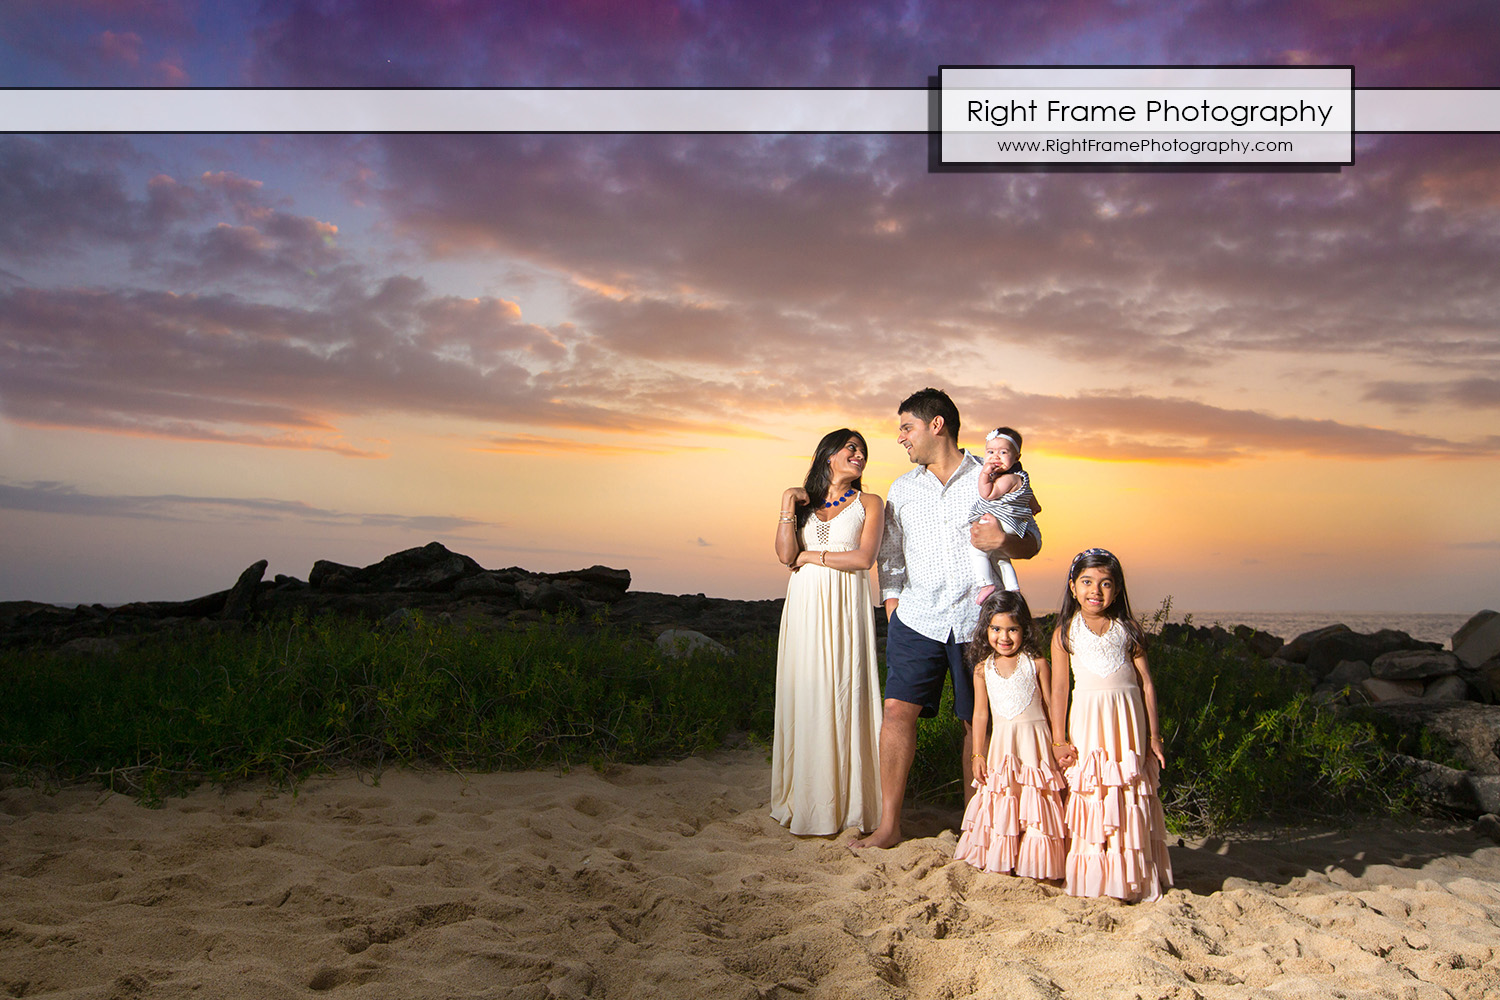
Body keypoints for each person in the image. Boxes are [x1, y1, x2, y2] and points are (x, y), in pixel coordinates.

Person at [850, 388, 1041, 851]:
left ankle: (977, 827)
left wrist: (1003, 540)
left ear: (937, 425)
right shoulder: (902, 488)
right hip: (917, 618)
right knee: (897, 711)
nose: (900, 438)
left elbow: (1031, 539)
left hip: (980, 619)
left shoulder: (994, 475)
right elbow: (891, 555)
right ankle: (889, 825)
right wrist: (892, 606)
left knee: (978, 724)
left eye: (906, 427)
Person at [770, 428, 885, 836]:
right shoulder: (804, 504)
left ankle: (849, 804)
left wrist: (811, 556)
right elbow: (785, 555)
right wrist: (787, 502)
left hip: (845, 607)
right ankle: (806, 798)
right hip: (804, 606)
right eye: (851, 447)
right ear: (828, 455)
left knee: (843, 689)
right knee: (809, 691)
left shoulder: (869, 502)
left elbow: (863, 558)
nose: (859, 454)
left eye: (863, 451)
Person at [1049, 548, 1173, 902]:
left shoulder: (1129, 630)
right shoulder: (1065, 633)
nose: (1096, 591)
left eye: (1105, 584)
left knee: (1127, 788)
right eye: (1087, 582)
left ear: (1117, 590)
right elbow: (1059, 688)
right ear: (1073, 587)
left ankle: (1130, 876)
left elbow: (1146, 683)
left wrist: (1155, 736)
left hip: (1127, 720)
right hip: (1088, 719)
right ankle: (1095, 876)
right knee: (1095, 790)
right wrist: (1058, 738)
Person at [952, 590, 1066, 879]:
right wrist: (978, 754)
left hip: (1035, 747)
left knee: (1034, 801)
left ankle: (1036, 862)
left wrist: (1059, 742)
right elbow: (980, 714)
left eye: (1012, 629)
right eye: (996, 629)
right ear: (985, 630)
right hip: (1003, 748)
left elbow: (1052, 705)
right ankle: (1005, 859)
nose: (1004, 637)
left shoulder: (1037, 664)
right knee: (1006, 798)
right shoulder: (982, 669)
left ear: (1024, 629)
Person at [967, 426, 1041, 604]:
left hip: (1001, 521)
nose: (995, 457)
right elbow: (1032, 500)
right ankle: (1013, 589)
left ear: (1016, 457)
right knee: (1001, 558)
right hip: (1012, 524)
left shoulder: (1007, 479)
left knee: (977, 550)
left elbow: (988, 494)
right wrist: (1034, 507)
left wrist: (984, 474)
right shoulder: (1022, 477)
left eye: (1003, 452)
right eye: (990, 452)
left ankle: (985, 583)